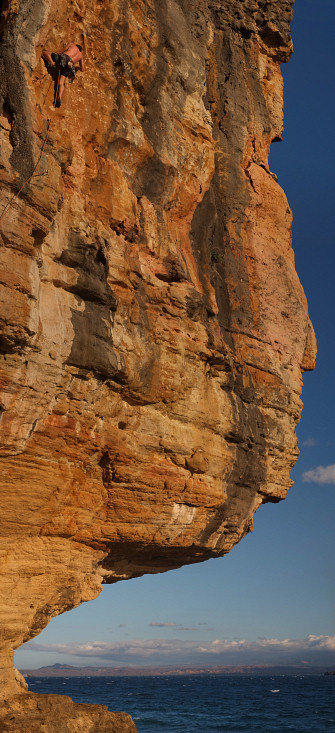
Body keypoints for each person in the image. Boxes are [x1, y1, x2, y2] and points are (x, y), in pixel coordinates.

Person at [42, 43, 84, 107]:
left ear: (76, 46)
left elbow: (60, 51)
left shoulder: (72, 44)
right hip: (70, 66)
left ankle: (52, 64)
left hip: (65, 59)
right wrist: (76, 67)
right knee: (61, 83)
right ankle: (59, 97)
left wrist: (63, 51)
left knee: (45, 53)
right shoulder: (80, 55)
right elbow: (82, 69)